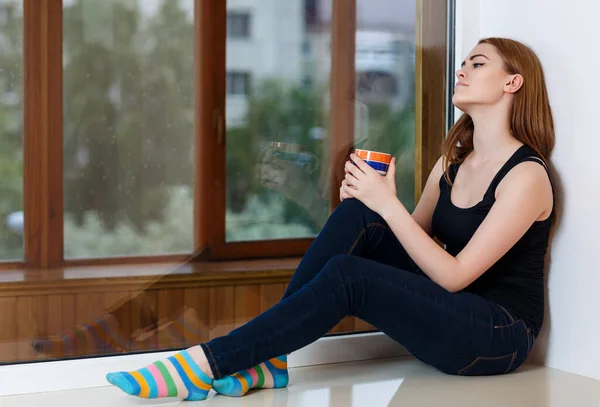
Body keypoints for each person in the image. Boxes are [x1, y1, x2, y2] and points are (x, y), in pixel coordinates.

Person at [106, 37, 556, 401]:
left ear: (512, 82)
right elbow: (414, 244)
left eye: (477, 63)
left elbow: (455, 276)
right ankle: (268, 360)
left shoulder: (527, 176)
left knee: (351, 272)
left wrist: (388, 205)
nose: (462, 69)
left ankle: (210, 362)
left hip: (497, 336)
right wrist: (376, 202)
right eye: (464, 62)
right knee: (360, 215)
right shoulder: (452, 164)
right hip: (451, 314)